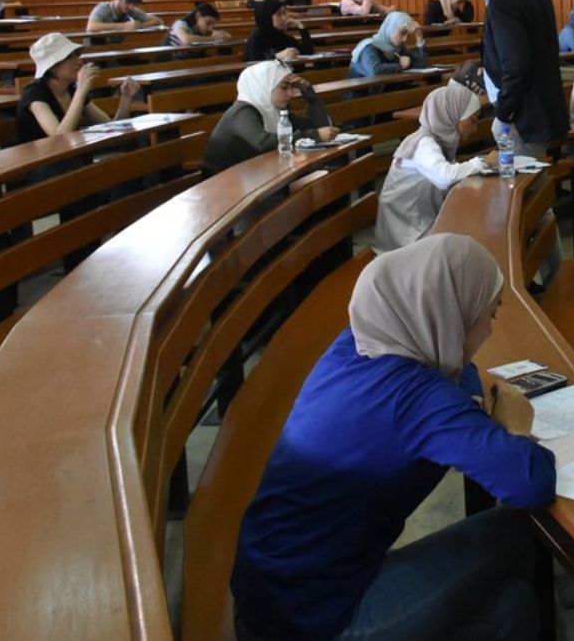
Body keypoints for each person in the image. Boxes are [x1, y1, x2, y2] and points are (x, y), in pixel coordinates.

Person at [230, 235, 555, 641]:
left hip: (271, 589)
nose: (492, 328)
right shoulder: (418, 399)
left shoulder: (361, 341)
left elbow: (462, 371)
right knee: (518, 533)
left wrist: (468, 399)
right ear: (449, 316)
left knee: (513, 605)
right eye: (489, 314)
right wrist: (518, 427)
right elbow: (530, 482)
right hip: (317, 620)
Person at [464, 0, 569, 158]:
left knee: (518, 186)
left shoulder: (502, 0)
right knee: (534, 183)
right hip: (543, 108)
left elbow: (516, 65)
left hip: (520, 116)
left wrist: (503, 112)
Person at [375, 85, 490, 252]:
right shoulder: (424, 143)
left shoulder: (437, 139)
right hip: (405, 235)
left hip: (420, 222)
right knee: (475, 236)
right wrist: (481, 162)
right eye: (472, 120)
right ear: (452, 116)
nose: (475, 128)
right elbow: (444, 177)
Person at [202, 61, 336, 174]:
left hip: (252, 176)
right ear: (264, 86)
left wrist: (309, 95)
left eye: (292, 87)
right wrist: (315, 135)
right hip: (224, 185)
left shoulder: (275, 110)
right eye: (284, 88)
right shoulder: (242, 111)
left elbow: (320, 128)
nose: (291, 93)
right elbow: (262, 142)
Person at [17, 33, 139, 143]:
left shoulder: (72, 89)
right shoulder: (35, 95)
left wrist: (126, 98)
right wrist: (81, 91)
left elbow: (110, 127)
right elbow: (59, 138)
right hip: (42, 163)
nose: (79, 62)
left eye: (76, 55)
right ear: (52, 66)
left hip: (71, 158)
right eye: (70, 57)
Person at [350, 11, 429, 78]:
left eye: (408, 36)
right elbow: (375, 71)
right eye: (402, 33)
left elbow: (422, 65)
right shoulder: (369, 47)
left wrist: (419, 37)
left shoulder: (397, 48)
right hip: (363, 95)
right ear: (390, 28)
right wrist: (400, 66)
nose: (405, 39)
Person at [245, 0, 316, 63]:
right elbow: (254, 65)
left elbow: (308, 53)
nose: (284, 18)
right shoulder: (257, 38)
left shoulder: (284, 37)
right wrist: (277, 57)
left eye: (284, 13)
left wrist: (300, 26)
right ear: (268, 17)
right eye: (279, 14)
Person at [86, 0, 163, 35]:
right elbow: (91, 27)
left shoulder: (131, 10)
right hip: (95, 51)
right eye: (128, 2)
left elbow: (158, 21)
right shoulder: (103, 8)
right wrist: (123, 26)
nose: (131, 6)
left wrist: (139, 26)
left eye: (134, 3)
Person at [166, 2, 231, 58]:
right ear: (198, 16)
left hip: (189, 64)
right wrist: (214, 38)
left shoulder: (205, 30)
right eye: (208, 23)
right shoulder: (180, 24)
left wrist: (225, 36)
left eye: (213, 25)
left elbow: (226, 36)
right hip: (171, 64)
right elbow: (186, 40)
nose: (210, 28)